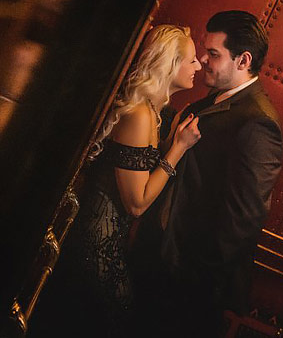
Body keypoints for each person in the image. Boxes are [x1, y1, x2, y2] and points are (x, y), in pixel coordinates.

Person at [30, 24, 202, 337]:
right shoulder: (138, 114)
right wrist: (178, 148)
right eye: (191, 60)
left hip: (107, 245)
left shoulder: (151, 110)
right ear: (170, 64)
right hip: (93, 249)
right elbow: (136, 204)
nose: (199, 66)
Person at [134, 10, 283, 336]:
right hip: (159, 269)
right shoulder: (214, 100)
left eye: (213, 54)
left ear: (243, 60)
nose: (202, 60)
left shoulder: (258, 121)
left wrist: (188, 277)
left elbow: (243, 220)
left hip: (186, 292)